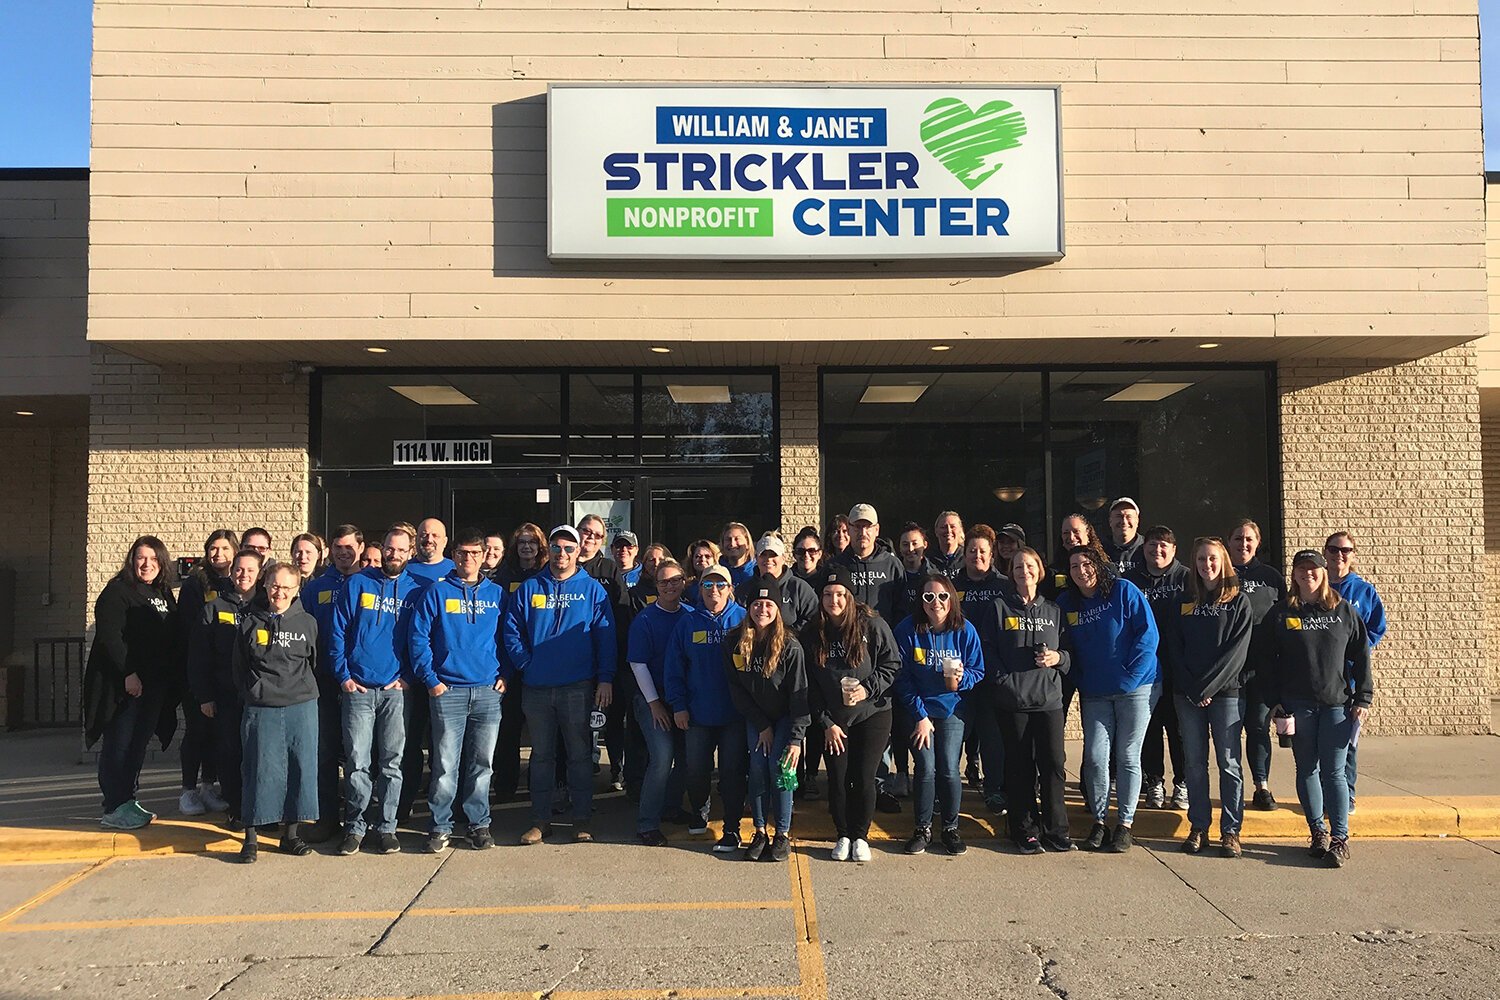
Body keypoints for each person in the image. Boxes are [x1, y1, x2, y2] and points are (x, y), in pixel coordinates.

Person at [503, 525, 616, 845]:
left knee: (580, 756)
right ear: (548, 550)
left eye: (569, 548)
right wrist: (527, 663)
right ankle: (540, 820)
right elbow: (511, 631)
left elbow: (604, 637)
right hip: (536, 687)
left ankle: (581, 820)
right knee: (541, 757)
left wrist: (604, 678)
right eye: (556, 547)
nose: (562, 553)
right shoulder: (529, 587)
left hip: (577, 686)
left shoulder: (592, 589)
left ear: (579, 552)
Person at [1269, 548, 1373, 869]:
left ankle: (1340, 839)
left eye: (1313, 569)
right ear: (1294, 575)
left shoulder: (1343, 611)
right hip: (1297, 706)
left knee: (1334, 772)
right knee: (1307, 769)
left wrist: (1363, 698)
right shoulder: (1282, 613)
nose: (1307, 574)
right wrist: (1274, 701)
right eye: (1301, 570)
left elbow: (1361, 657)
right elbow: (1267, 661)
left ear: (1323, 572)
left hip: (1337, 706)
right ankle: (1318, 833)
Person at [409, 529, 507, 853]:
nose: (468, 559)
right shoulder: (436, 593)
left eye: (474, 553)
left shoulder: (497, 594)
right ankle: (439, 826)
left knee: (482, 765)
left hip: (487, 691)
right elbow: (418, 637)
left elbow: (509, 636)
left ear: (483, 556)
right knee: (445, 765)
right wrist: (431, 680)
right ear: (454, 555)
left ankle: (479, 823)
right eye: (462, 553)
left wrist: (505, 674)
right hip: (447, 690)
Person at [1057, 545, 1160, 853]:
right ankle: (1100, 821)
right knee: (1095, 757)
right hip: (1095, 692)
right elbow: (1065, 646)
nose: (1081, 570)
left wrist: (1130, 677)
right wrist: (1080, 680)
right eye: (1074, 566)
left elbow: (1148, 635)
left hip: (1137, 687)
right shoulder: (1067, 603)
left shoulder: (1123, 591)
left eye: (1086, 564)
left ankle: (1125, 824)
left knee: (1127, 755)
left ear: (1098, 565)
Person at [327, 523, 421, 856]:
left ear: (411, 552)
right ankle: (355, 827)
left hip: (396, 691)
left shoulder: (416, 591)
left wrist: (409, 677)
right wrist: (344, 677)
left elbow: (420, 638)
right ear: (382, 550)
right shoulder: (357, 584)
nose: (394, 555)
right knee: (356, 762)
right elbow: (337, 632)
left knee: (392, 763)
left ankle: (387, 827)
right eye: (389, 549)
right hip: (359, 690)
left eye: (400, 549)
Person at [803, 565, 900, 863]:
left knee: (864, 776)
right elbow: (808, 684)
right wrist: (826, 723)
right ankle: (842, 834)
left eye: (840, 594)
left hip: (873, 713)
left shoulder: (871, 624)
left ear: (850, 596)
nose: (834, 600)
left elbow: (892, 664)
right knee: (839, 777)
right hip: (834, 719)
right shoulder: (813, 631)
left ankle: (861, 834)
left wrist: (868, 689)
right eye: (828, 594)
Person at [84, 536, 179, 830]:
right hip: (126, 685)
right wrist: (129, 673)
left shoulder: (162, 593)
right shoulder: (118, 591)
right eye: (141, 558)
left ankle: (128, 799)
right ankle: (113, 806)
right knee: (120, 744)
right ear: (131, 560)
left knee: (138, 744)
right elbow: (111, 637)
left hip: (154, 684)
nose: (147, 564)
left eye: (153, 559)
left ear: (162, 562)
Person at [983, 546, 1073, 854]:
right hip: (1013, 701)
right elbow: (987, 650)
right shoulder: (998, 607)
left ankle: (1056, 829)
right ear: (1012, 573)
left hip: (1048, 700)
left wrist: (1057, 658)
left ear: (1040, 569)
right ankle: (1024, 829)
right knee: (1020, 767)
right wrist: (1003, 682)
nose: (1025, 571)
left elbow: (1070, 655)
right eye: (1018, 567)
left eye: (1030, 566)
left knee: (1053, 765)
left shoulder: (1055, 610)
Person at [1169, 537, 1254, 858]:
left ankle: (1230, 832)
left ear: (1224, 562)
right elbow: (1173, 649)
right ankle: (1199, 827)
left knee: (1229, 763)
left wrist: (1207, 688)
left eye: (1213, 559)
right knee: (1194, 764)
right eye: (1202, 559)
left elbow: (1236, 654)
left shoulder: (1238, 602)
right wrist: (1192, 688)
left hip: (1226, 695)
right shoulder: (1183, 600)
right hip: (1187, 694)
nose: (1207, 565)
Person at [233, 563, 320, 863]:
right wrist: (254, 691)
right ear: (265, 585)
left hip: (301, 705)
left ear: (297, 590)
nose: (279, 592)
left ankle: (291, 835)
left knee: (299, 768)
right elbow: (239, 667)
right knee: (259, 770)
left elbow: (314, 661)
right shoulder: (248, 622)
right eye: (274, 585)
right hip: (261, 707)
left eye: (286, 587)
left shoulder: (307, 622)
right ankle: (251, 838)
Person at [894, 573, 984, 857]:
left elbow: (978, 670)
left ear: (952, 598)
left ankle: (950, 828)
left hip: (952, 709)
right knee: (925, 767)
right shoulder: (908, 630)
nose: (936, 602)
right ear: (921, 601)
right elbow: (901, 677)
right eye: (929, 597)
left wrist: (962, 678)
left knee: (947, 768)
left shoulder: (965, 630)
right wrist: (920, 715)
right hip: (919, 709)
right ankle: (922, 829)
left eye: (943, 596)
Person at [665, 563, 749, 850]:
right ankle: (700, 811)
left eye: (721, 584)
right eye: (708, 585)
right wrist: (679, 706)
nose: (715, 590)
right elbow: (674, 669)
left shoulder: (743, 620)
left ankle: (732, 826)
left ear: (730, 589)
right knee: (696, 769)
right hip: (698, 714)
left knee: (732, 772)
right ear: (699, 589)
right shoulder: (687, 623)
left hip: (734, 715)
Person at [726, 574, 809, 862]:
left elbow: (800, 694)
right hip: (757, 717)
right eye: (757, 604)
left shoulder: (790, 646)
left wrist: (796, 740)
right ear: (749, 607)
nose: (762, 609)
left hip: (786, 717)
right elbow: (735, 687)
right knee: (759, 767)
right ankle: (760, 831)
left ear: (777, 609)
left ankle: (782, 834)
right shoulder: (735, 642)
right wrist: (761, 725)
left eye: (769, 604)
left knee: (781, 769)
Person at [188, 547, 262, 831]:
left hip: (260, 696)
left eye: (250, 570)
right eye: (239, 570)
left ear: (260, 574)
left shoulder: (268, 607)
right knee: (231, 752)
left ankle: (262, 808)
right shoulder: (214, 609)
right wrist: (204, 696)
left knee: (259, 753)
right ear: (231, 574)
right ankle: (236, 807)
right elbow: (199, 657)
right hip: (225, 695)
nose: (244, 575)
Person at [300, 523, 364, 842]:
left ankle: (360, 819)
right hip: (323, 682)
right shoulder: (314, 588)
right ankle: (327, 819)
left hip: (363, 681)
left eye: (349, 546)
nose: (343, 552)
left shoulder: (370, 584)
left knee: (360, 755)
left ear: (361, 548)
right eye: (338, 547)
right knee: (324, 753)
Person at [1123, 526, 1193, 811]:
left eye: (1164, 545)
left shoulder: (1188, 578)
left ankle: (1182, 783)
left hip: (1179, 668)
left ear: (1174, 550)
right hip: (1145, 670)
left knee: (1178, 730)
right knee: (1149, 728)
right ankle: (1154, 782)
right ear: (1144, 548)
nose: (1157, 550)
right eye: (1152, 545)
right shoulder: (1130, 580)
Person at [626, 558, 693, 845]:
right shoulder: (645, 619)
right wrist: (654, 704)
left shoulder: (691, 615)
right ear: (656, 585)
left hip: (683, 701)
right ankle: (647, 823)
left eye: (675, 580)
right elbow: (638, 664)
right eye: (664, 581)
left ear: (684, 582)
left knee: (687, 758)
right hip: (652, 699)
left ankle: (671, 807)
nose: (670, 586)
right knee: (662, 758)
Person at [175, 529, 237, 817]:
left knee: (217, 734)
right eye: (213, 548)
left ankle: (208, 786)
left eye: (225, 548)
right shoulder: (195, 584)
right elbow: (189, 632)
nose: (218, 554)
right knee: (197, 731)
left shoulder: (239, 583)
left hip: (227, 676)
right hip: (199, 672)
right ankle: (188, 789)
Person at [1228, 519, 1288, 811]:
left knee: (1258, 728)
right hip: (1230, 670)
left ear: (1258, 543)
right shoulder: (1220, 573)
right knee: (1229, 730)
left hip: (1263, 670)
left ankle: (1261, 786)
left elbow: (1285, 620)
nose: (1243, 543)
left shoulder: (1271, 577)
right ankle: (1232, 787)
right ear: (1229, 542)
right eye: (1238, 538)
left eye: (1249, 538)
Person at [1324, 530, 1385, 815]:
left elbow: (1376, 627)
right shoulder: (1315, 584)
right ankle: (1323, 794)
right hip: (1322, 677)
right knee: (1320, 743)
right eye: (1334, 549)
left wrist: (1357, 650)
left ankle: (1346, 795)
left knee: (1347, 742)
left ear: (1353, 555)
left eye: (1345, 550)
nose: (1339, 555)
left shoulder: (1364, 591)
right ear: (1325, 552)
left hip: (1350, 679)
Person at [398, 516, 453, 822]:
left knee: (443, 746)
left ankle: (442, 808)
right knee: (408, 744)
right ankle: (404, 803)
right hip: (409, 675)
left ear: (445, 541)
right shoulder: (404, 571)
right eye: (423, 534)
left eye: (435, 535)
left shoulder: (455, 573)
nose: (428, 539)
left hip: (446, 677)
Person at [492, 522, 548, 804]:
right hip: (512, 663)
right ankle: (505, 784)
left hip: (542, 663)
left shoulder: (547, 575)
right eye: (522, 542)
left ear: (540, 547)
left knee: (543, 732)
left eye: (532, 542)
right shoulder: (504, 576)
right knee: (509, 728)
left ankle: (541, 785)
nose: (527, 547)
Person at [956, 523, 1011, 811]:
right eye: (972, 551)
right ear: (964, 554)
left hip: (992, 675)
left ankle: (994, 790)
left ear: (991, 555)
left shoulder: (1004, 585)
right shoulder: (952, 587)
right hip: (960, 676)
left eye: (982, 551)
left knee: (992, 738)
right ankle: (945, 792)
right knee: (954, 736)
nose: (977, 555)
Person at [833, 504, 903, 621]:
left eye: (868, 527)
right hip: (848, 636)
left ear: (877, 530)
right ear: (849, 529)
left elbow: (902, 607)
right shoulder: (835, 566)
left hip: (883, 637)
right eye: (857, 527)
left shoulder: (892, 565)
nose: (862, 532)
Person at [736, 534, 818, 632]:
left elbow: (813, 617)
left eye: (773, 555)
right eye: (763, 554)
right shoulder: (744, 589)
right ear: (756, 558)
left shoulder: (799, 588)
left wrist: (788, 635)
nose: (768, 559)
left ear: (783, 558)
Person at [893, 522, 934, 623]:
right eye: (905, 545)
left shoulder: (933, 576)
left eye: (915, 543)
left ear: (925, 545)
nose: (910, 549)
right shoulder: (891, 574)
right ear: (899, 547)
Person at [1105, 497, 1146, 576]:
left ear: (1137, 521)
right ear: (1110, 521)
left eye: (1129, 516)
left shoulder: (1148, 548)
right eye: (1118, 516)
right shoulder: (1100, 550)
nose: (1124, 521)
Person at [408, 518, 454, 584]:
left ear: (445, 542)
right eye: (424, 535)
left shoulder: (455, 571)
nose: (429, 540)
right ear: (416, 539)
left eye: (435, 536)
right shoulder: (403, 570)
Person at [682, 539, 722, 606]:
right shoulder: (686, 587)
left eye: (707, 556)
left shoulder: (722, 584)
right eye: (698, 556)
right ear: (692, 560)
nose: (703, 560)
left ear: (715, 559)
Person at [718, 522, 756, 586]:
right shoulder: (717, 570)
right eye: (728, 539)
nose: (732, 543)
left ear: (747, 543)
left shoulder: (758, 570)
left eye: (737, 539)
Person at [930, 511, 965, 579]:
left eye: (953, 527)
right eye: (943, 527)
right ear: (936, 531)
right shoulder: (929, 560)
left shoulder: (968, 557)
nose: (948, 530)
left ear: (960, 530)